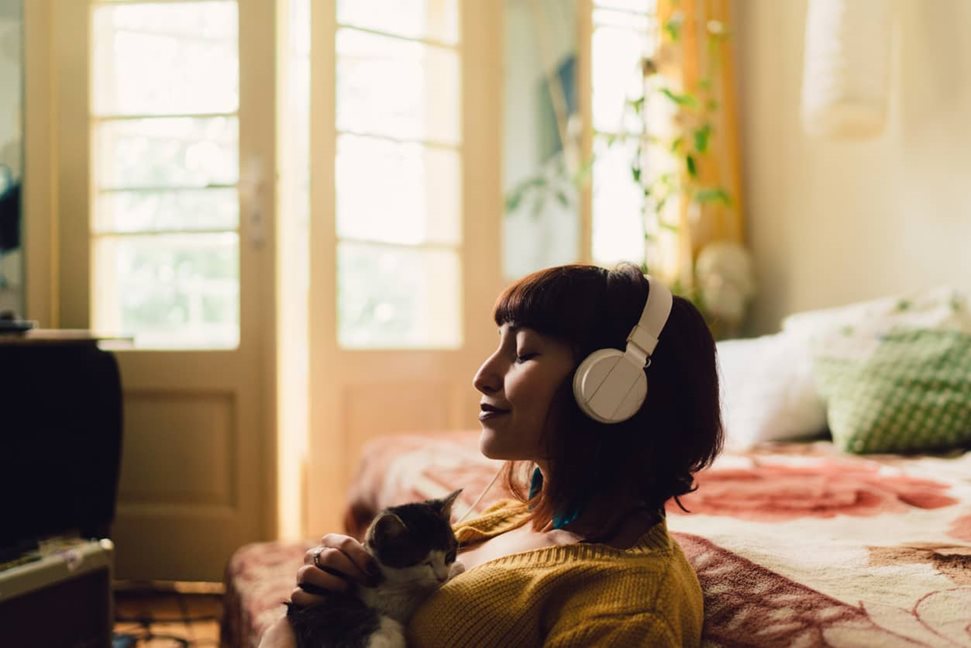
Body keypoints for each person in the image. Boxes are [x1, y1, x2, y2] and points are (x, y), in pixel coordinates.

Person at [260, 263, 722, 647]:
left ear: (611, 388)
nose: (482, 376)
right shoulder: (513, 517)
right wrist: (337, 593)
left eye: (523, 353)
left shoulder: (627, 612)